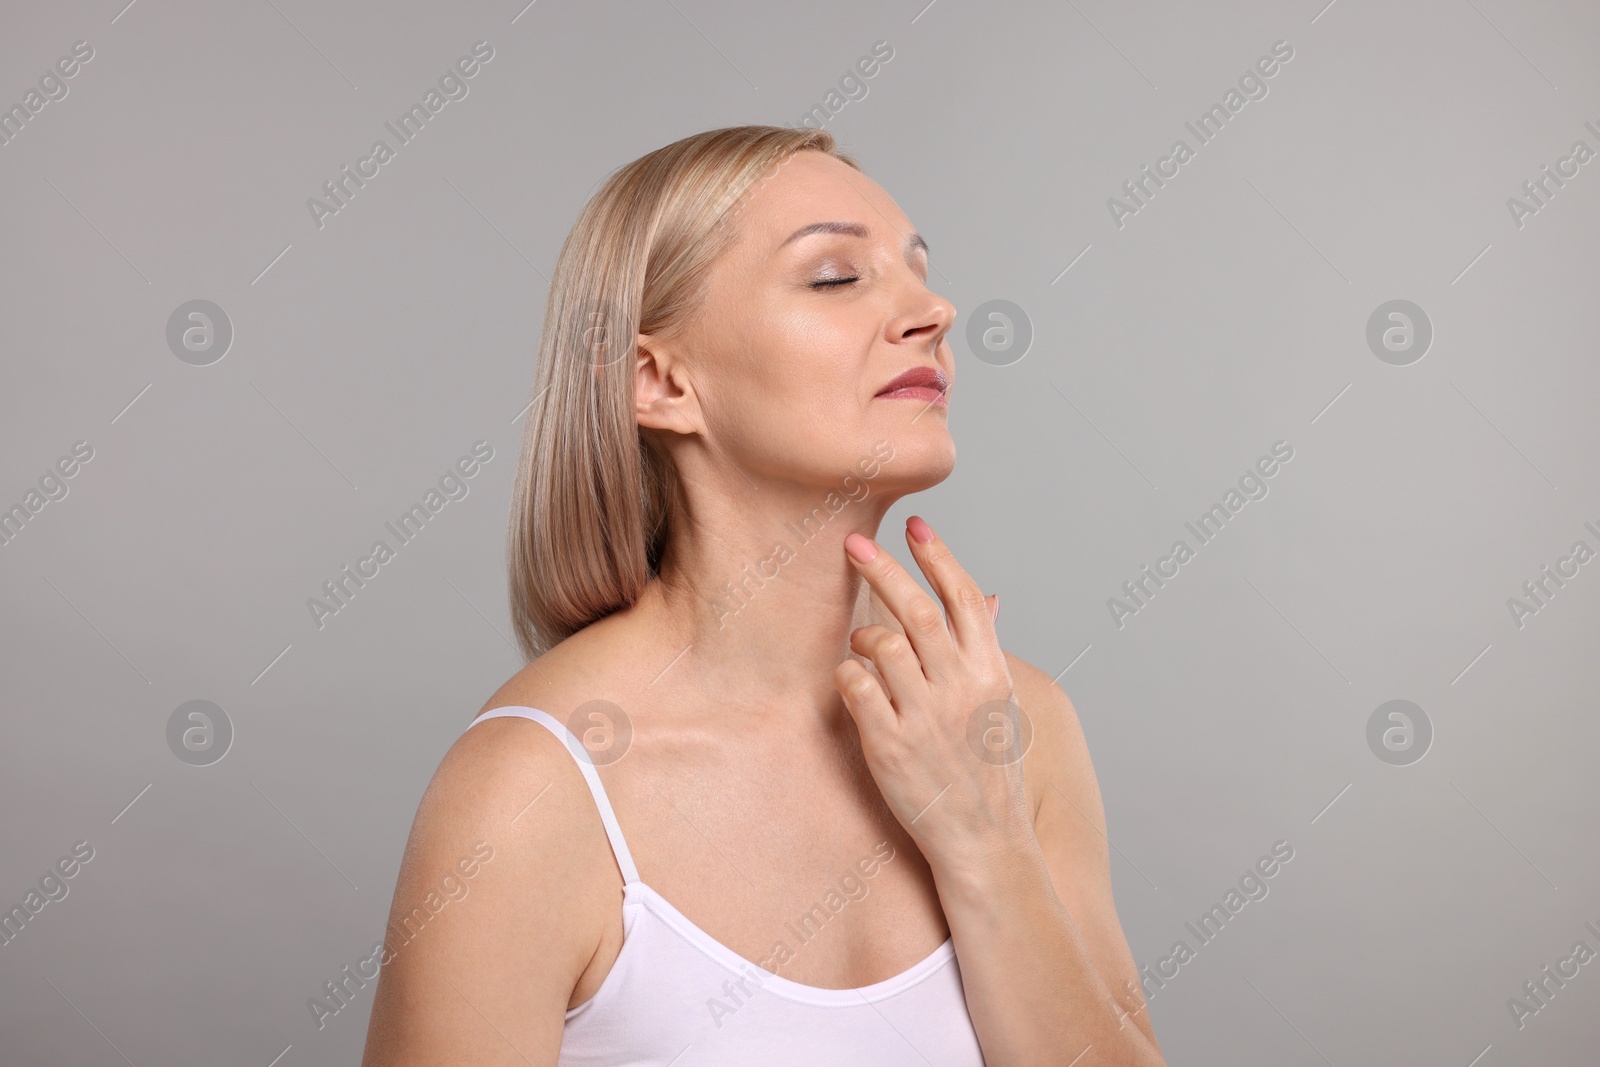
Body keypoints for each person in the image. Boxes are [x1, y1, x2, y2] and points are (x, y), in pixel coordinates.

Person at [360, 125, 1165, 1066]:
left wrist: (987, 846)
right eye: (834, 277)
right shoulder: (530, 797)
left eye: (918, 272)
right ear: (659, 381)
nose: (934, 311)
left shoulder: (1018, 723)